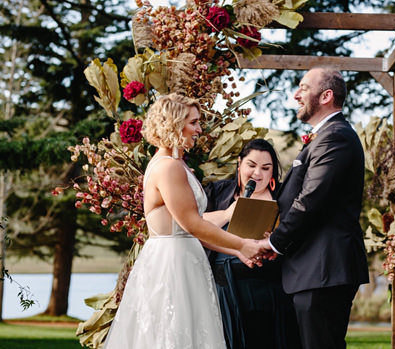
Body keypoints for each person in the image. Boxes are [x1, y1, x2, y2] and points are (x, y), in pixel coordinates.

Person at [104, 93, 261, 348]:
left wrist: (236, 250)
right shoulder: (168, 167)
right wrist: (242, 245)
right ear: (175, 123)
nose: (200, 129)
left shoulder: (178, 164)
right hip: (172, 266)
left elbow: (191, 229)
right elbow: (193, 225)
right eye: (194, 122)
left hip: (185, 257)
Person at [251, 67, 369, 348]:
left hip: (324, 269)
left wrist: (275, 243)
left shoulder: (335, 136)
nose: (296, 94)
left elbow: (311, 200)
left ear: (326, 95)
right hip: (311, 269)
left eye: (304, 87)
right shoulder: (324, 137)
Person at [202, 138, 301, 348]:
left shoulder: (283, 196)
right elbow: (195, 224)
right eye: (251, 165)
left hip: (271, 286)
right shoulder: (219, 192)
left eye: (266, 168)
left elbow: (297, 233)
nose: (258, 174)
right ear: (240, 163)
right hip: (228, 286)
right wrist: (228, 213)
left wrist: (276, 238)